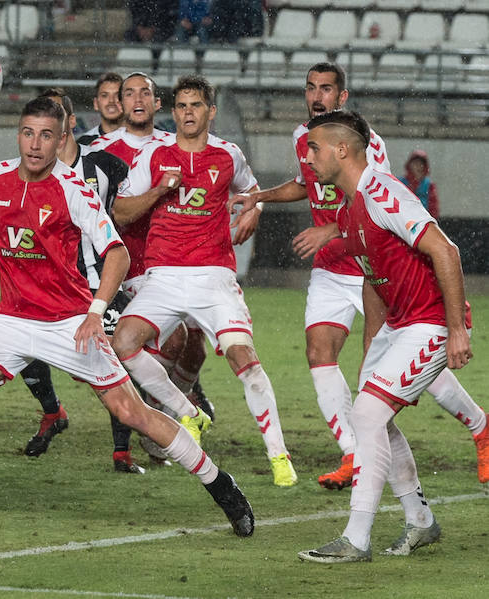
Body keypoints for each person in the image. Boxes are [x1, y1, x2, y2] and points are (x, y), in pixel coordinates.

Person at [0, 97, 254, 536]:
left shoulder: (74, 188)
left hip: (67, 322)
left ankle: (221, 485)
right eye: (28, 133)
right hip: (13, 320)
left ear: (61, 139)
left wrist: (95, 312)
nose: (35, 144)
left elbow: (118, 254)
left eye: (46, 135)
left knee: (131, 412)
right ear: (19, 134)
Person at [233, 63, 487, 489]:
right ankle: (354, 453)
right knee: (319, 353)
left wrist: (330, 228)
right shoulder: (303, 139)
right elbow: (304, 184)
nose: (317, 96)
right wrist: (260, 196)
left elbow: (376, 202)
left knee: (405, 367)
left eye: (327, 89)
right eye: (311, 88)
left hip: (375, 270)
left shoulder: (369, 145)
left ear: (343, 97)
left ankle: (480, 427)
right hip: (332, 270)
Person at [297, 110, 477, 562]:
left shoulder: (380, 190)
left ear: (342, 149)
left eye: (315, 147)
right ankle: (420, 521)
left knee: (369, 416)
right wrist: (371, 349)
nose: (308, 155)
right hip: (399, 325)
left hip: (430, 323)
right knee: (370, 416)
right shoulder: (348, 208)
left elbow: (445, 249)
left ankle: (356, 539)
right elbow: (372, 282)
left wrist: (455, 329)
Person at [111, 75, 298, 487]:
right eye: (180, 106)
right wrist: (160, 190)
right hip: (161, 276)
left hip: (213, 276)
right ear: (172, 111)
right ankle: (188, 411)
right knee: (122, 344)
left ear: (210, 112)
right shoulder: (154, 155)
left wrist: (252, 213)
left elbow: (252, 192)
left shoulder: (228, 155)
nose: (187, 113)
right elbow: (121, 212)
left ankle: (278, 454)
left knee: (242, 358)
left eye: (195, 105)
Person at [15, 88, 141, 473]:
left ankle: (123, 450)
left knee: (118, 357)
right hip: (49, 285)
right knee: (23, 348)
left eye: (56, 115)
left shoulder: (106, 164)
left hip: (96, 283)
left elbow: (131, 210)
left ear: (70, 123)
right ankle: (52, 411)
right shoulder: (24, 171)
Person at [90, 72, 219, 443]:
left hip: (179, 259)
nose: (137, 99)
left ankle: (168, 408)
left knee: (196, 350)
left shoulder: (173, 144)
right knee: (172, 340)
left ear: (157, 103)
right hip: (133, 262)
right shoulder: (102, 150)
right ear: (121, 102)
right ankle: (161, 420)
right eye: (128, 94)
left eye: (145, 92)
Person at [125, 0, 178, 73]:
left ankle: (155, 67)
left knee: (158, 41)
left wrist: (153, 28)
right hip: (141, 27)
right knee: (129, 35)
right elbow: (135, 11)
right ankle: (131, 69)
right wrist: (139, 26)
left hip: (161, 27)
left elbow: (167, 14)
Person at [76, 72, 124, 146]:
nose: (111, 100)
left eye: (117, 95)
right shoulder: (83, 144)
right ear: (96, 104)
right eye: (104, 95)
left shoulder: (141, 139)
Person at [400, 150, 439, 218]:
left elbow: (433, 207)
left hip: (423, 221)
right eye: (415, 163)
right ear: (410, 165)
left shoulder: (429, 185)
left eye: (420, 164)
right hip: (403, 220)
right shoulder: (401, 182)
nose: (418, 166)